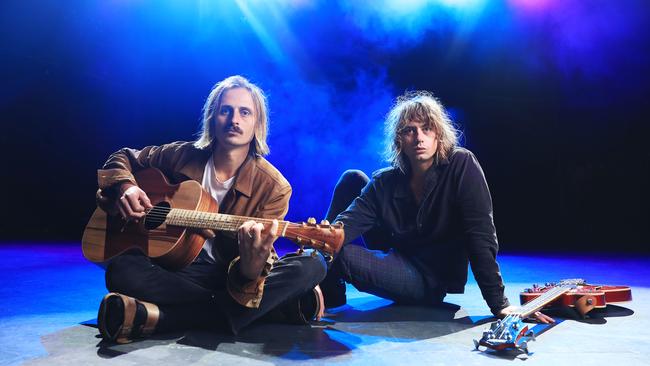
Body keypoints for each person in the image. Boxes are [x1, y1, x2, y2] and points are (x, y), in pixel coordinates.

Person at [94, 75, 327, 343]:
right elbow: (123, 156)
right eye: (225, 111)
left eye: (244, 112)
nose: (234, 120)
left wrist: (251, 269)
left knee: (312, 264)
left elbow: (251, 275)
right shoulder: (181, 155)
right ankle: (269, 308)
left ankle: (165, 318)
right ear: (212, 119)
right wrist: (127, 187)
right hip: (176, 271)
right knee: (121, 270)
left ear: (257, 124)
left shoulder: (274, 187)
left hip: (228, 275)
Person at [320, 91, 553, 322]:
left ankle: (322, 273)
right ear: (399, 139)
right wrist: (317, 243)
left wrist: (499, 304)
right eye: (410, 130)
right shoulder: (388, 179)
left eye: (426, 129)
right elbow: (344, 227)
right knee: (352, 180)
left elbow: (480, 235)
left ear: (438, 135)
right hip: (398, 252)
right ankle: (328, 291)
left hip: (426, 279)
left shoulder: (461, 165)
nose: (419, 137)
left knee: (339, 254)